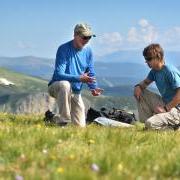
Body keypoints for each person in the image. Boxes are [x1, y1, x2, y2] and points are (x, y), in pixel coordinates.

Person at [47, 23, 103, 127]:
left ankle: (52, 118)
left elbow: (90, 71)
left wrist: (93, 88)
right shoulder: (63, 49)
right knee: (65, 84)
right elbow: (59, 74)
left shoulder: (88, 50)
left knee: (80, 128)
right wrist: (79, 78)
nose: (87, 40)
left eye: (89, 37)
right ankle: (63, 121)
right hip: (57, 87)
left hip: (75, 91)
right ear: (75, 35)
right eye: (84, 37)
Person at [134, 43, 180, 130]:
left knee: (150, 124)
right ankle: (149, 124)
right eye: (146, 59)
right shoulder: (154, 71)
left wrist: (166, 108)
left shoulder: (170, 71)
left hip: (177, 109)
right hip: (166, 103)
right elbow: (145, 83)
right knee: (141, 92)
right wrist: (138, 86)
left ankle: (174, 128)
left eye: (149, 59)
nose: (146, 62)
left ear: (158, 57)